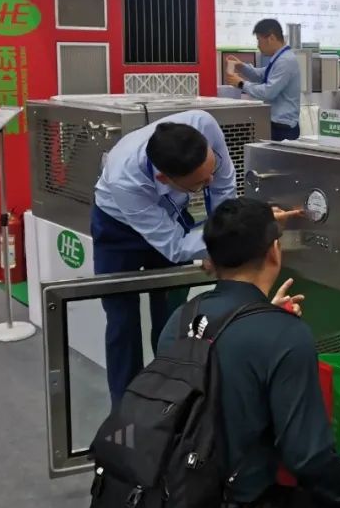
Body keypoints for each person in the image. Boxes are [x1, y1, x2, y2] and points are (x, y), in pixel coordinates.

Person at [146, 197, 340, 508]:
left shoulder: (182, 316)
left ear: (211, 258)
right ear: (274, 251)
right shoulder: (285, 336)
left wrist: (268, 314)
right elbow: (308, 459)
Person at [91, 111, 240, 407]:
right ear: (164, 178)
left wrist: (222, 239)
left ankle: (172, 396)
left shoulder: (204, 124)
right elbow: (176, 246)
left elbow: (222, 188)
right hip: (117, 227)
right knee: (122, 319)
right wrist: (216, 244)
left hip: (172, 214)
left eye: (211, 169)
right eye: (200, 183)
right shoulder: (125, 179)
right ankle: (127, 408)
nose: (210, 180)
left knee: (173, 314)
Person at [226, 19, 301, 141]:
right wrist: (241, 66)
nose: (258, 45)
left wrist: (241, 83)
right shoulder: (279, 58)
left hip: (282, 128)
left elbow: (268, 92)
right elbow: (262, 74)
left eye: (259, 40)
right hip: (277, 124)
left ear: (271, 38)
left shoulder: (285, 61)